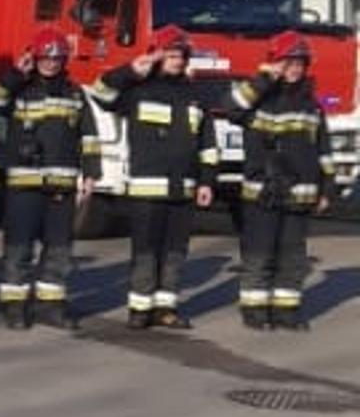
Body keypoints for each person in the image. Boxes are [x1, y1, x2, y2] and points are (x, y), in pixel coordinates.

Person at [87, 26, 219, 330]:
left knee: (175, 251)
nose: (177, 60)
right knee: (145, 250)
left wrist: (207, 181)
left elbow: (207, 144)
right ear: (158, 57)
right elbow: (100, 92)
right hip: (147, 190)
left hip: (183, 190)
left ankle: (165, 308)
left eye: (181, 55)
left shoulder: (194, 96)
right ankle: (139, 309)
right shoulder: (138, 90)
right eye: (171, 54)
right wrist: (131, 70)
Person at [0, 26, 100, 330]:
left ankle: (51, 306)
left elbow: (88, 135)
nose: (51, 64)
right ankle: (14, 305)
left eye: (57, 59)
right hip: (24, 185)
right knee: (19, 248)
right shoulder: (18, 89)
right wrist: (14, 74)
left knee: (59, 250)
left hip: (61, 186)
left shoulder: (75, 94)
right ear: (33, 58)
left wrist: (91, 173)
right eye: (45, 58)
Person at [225, 30, 337, 331]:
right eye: (288, 62)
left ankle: (287, 313)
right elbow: (230, 107)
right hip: (263, 193)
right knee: (260, 254)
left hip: (299, 195)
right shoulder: (258, 99)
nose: (295, 69)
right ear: (275, 63)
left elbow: (323, 150)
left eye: (299, 63)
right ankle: (255, 311)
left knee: (292, 257)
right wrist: (264, 79)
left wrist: (327, 189)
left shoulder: (311, 106)